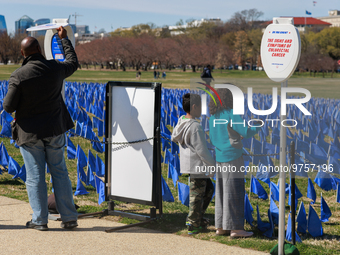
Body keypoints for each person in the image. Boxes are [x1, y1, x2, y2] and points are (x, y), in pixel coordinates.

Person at [3, 26, 79, 231]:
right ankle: (70, 217)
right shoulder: (55, 68)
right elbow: (73, 62)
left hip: (29, 132)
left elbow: (8, 106)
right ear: (40, 50)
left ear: (22, 53)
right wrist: (64, 40)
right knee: (60, 172)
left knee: (35, 176)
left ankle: (40, 219)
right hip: (55, 128)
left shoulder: (18, 76)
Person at [208, 88, 260, 238]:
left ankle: (221, 226)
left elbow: (213, 137)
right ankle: (236, 229)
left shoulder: (213, 117)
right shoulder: (231, 114)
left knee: (222, 192)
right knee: (235, 192)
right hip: (233, 157)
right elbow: (246, 132)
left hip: (219, 157)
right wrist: (257, 126)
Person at [172, 93, 215, 235]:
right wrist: (212, 165)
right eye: (201, 106)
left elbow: (174, 137)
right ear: (195, 107)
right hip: (197, 164)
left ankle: (197, 217)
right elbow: (202, 150)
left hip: (189, 163)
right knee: (197, 194)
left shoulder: (181, 121)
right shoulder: (195, 127)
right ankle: (193, 223)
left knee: (208, 189)